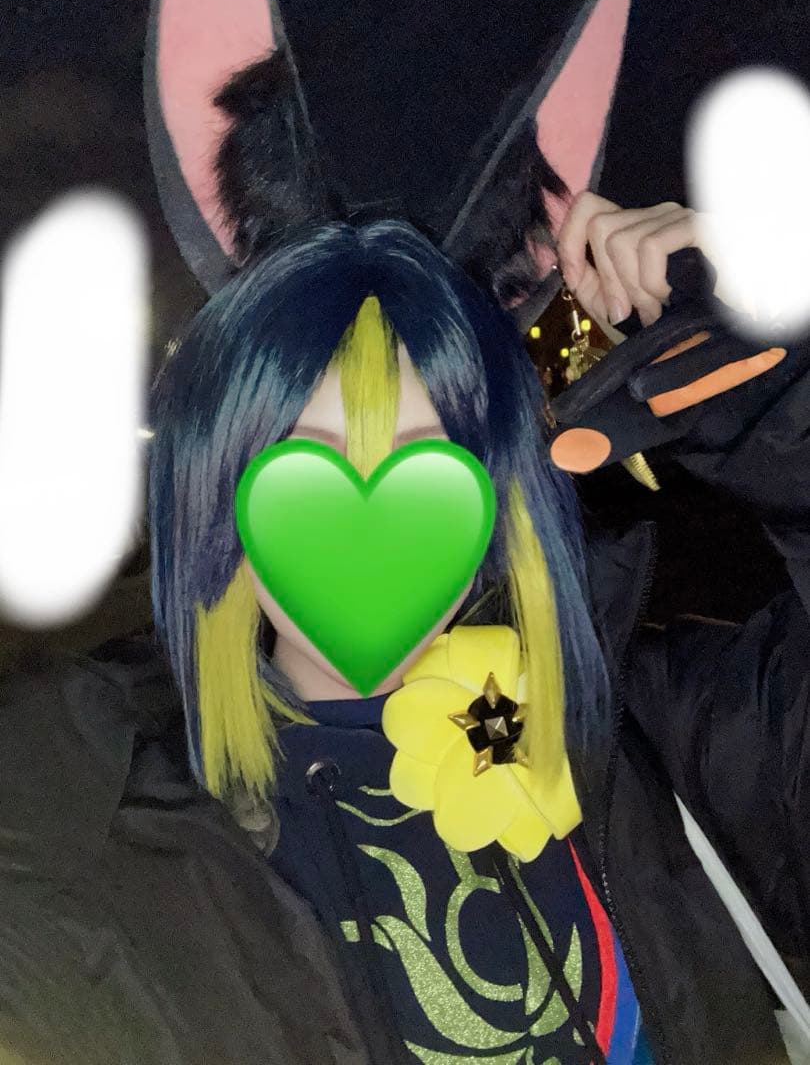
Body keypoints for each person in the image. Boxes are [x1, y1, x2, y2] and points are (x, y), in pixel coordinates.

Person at [143, 200, 807, 1064]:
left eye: (427, 462)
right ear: (217, 495)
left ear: (496, 494)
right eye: (309, 461)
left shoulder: (646, 727)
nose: (371, 524)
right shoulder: (118, 851)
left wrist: (789, 432)